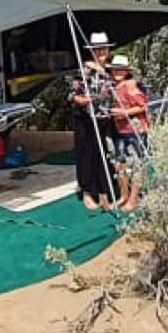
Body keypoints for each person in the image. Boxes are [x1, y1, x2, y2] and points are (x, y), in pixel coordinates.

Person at [69, 31, 119, 211]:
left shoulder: (111, 69)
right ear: (92, 51)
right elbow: (73, 95)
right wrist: (83, 100)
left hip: (106, 119)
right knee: (87, 155)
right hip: (86, 119)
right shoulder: (85, 69)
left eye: (103, 49)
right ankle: (87, 193)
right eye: (97, 49)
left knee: (106, 155)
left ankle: (105, 191)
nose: (101, 52)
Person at [106, 54, 151, 211]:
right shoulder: (114, 86)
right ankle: (124, 196)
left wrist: (123, 112)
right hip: (121, 130)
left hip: (135, 130)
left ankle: (133, 199)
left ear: (126, 71)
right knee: (120, 163)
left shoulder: (130, 85)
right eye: (114, 69)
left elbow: (142, 106)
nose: (117, 72)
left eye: (120, 69)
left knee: (137, 164)